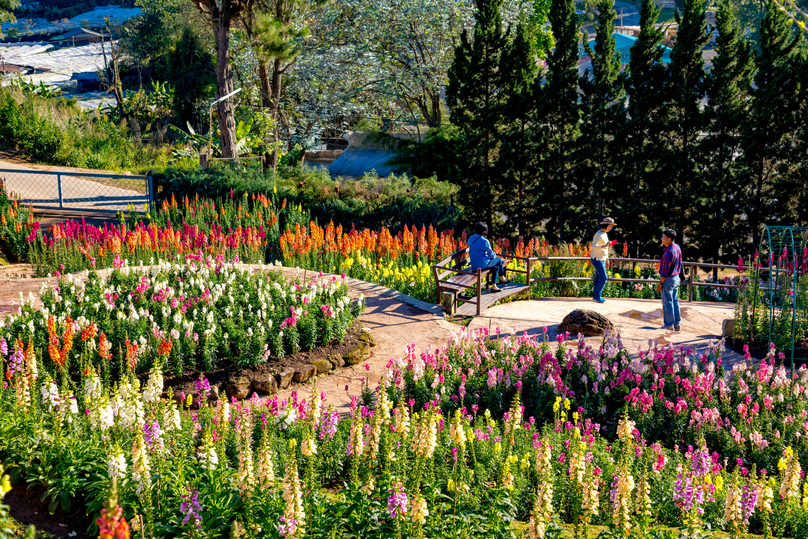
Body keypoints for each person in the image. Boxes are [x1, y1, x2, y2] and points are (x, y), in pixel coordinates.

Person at [655, 229, 683, 331]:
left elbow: (665, 272)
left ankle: (669, 325)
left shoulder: (668, 252)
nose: (661, 238)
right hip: (676, 278)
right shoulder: (677, 247)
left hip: (668, 280)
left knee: (667, 303)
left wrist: (660, 283)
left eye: (663, 237)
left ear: (669, 239)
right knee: (675, 301)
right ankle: (677, 324)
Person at [468, 222, 507, 292]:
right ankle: (503, 278)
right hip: (482, 265)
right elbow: (491, 254)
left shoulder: (471, 238)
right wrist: (493, 258)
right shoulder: (484, 241)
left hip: (474, 265)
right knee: (498, 260)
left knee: (496, 267)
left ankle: (494, 286)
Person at [591, 217, 618, 303]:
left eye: (611, 226)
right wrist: (604, 246)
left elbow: (605, 249)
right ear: (605, 225)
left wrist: (607, 259)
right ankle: (597, 296)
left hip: (602, 259)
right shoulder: (598, 234)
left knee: (599, 277)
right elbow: (594, 247)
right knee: (604, 278)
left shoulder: (605, 234)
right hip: (597, 259)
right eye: (609, 226)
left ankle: (596, 296)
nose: (610, 228)